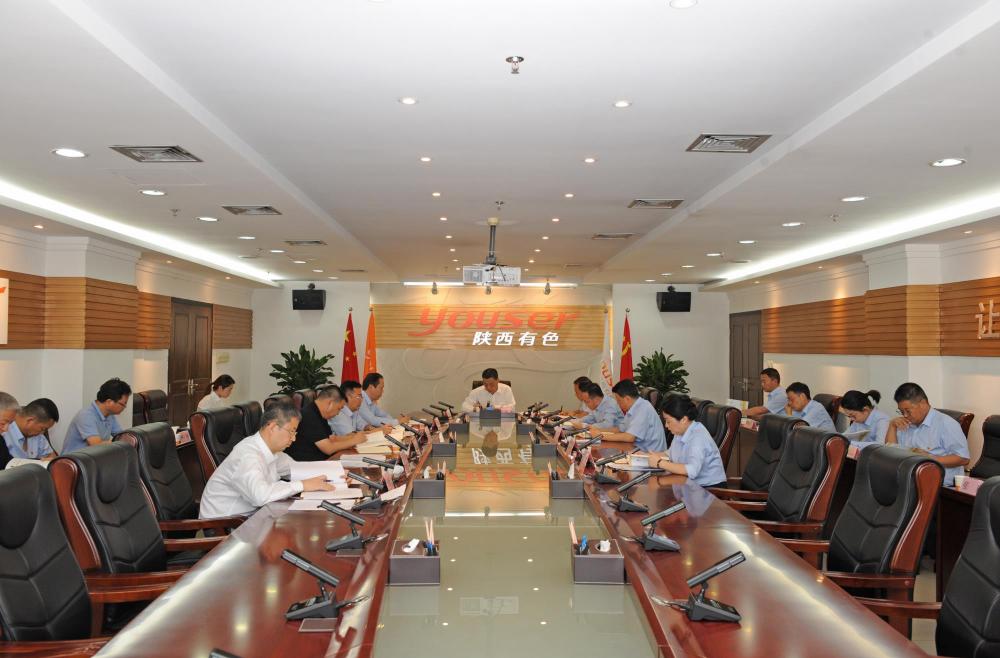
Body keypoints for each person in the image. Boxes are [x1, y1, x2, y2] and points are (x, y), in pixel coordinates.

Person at [199, 402, 334, 518]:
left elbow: (296, 469)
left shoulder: (272, 451)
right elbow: (260, 496)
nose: (294, 439)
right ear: (273, 427)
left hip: (253, 517)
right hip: (226, 525)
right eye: (291, 432)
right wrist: (302, 485)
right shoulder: (248, 455)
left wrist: (336, 472)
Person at [886, 382, 969, 487]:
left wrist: (929, 459)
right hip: (909, 481)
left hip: (938, 486)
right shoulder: (905, 423)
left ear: (923, 403)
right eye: (902, 412)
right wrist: (892, 426)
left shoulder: (946, 424)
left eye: (908, 411)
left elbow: (963, 458)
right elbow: (890, 452)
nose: (905, 415)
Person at [646, 394, 727, 488]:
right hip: (687, 484)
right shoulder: (680, 431)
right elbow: (670, 454)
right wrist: (644, 456)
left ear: (684, 419)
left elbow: (692, 471)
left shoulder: (698, 437)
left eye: (668, 421)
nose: (666, 426)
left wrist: (659, 463)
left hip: (709, 490)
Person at [286, 385, 367, 461]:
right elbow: (328, 449)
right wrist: (354, 441)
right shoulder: (310, 415)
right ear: (330, 403)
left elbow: (331, 439)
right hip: (306, 464)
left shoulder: (319, 413)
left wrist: (351, 437)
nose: (338, 413)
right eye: (339, 408)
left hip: (321, 460)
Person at [590, 380, 666, 452]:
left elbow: (629, 437)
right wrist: (598, 430)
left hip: (651, 455)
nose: (618, 404)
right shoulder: (633, 408)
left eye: (619, 401)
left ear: (627, 399)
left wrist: (600, 436)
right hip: (638, 451)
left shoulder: (643, 408)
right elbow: (620, 429)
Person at [62, 378, 131, 454]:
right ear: (109, 402)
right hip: (75, 460)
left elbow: (122, 436)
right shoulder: (86, 416)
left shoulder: (110, 415)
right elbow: (96, 445)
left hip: (94, 457)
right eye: (123, 404)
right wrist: (117, 442)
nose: (125, 407)